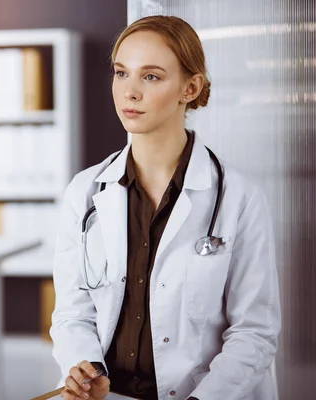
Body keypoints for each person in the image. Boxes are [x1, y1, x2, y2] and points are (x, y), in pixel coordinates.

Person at [50, 15, 281, 400]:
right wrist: (86, 370)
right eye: (121, 73)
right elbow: (73, 314)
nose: (130, 92)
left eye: (151, 77)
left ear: (190, 88)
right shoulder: (85, 192)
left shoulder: (240, 198)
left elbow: (254, 332)